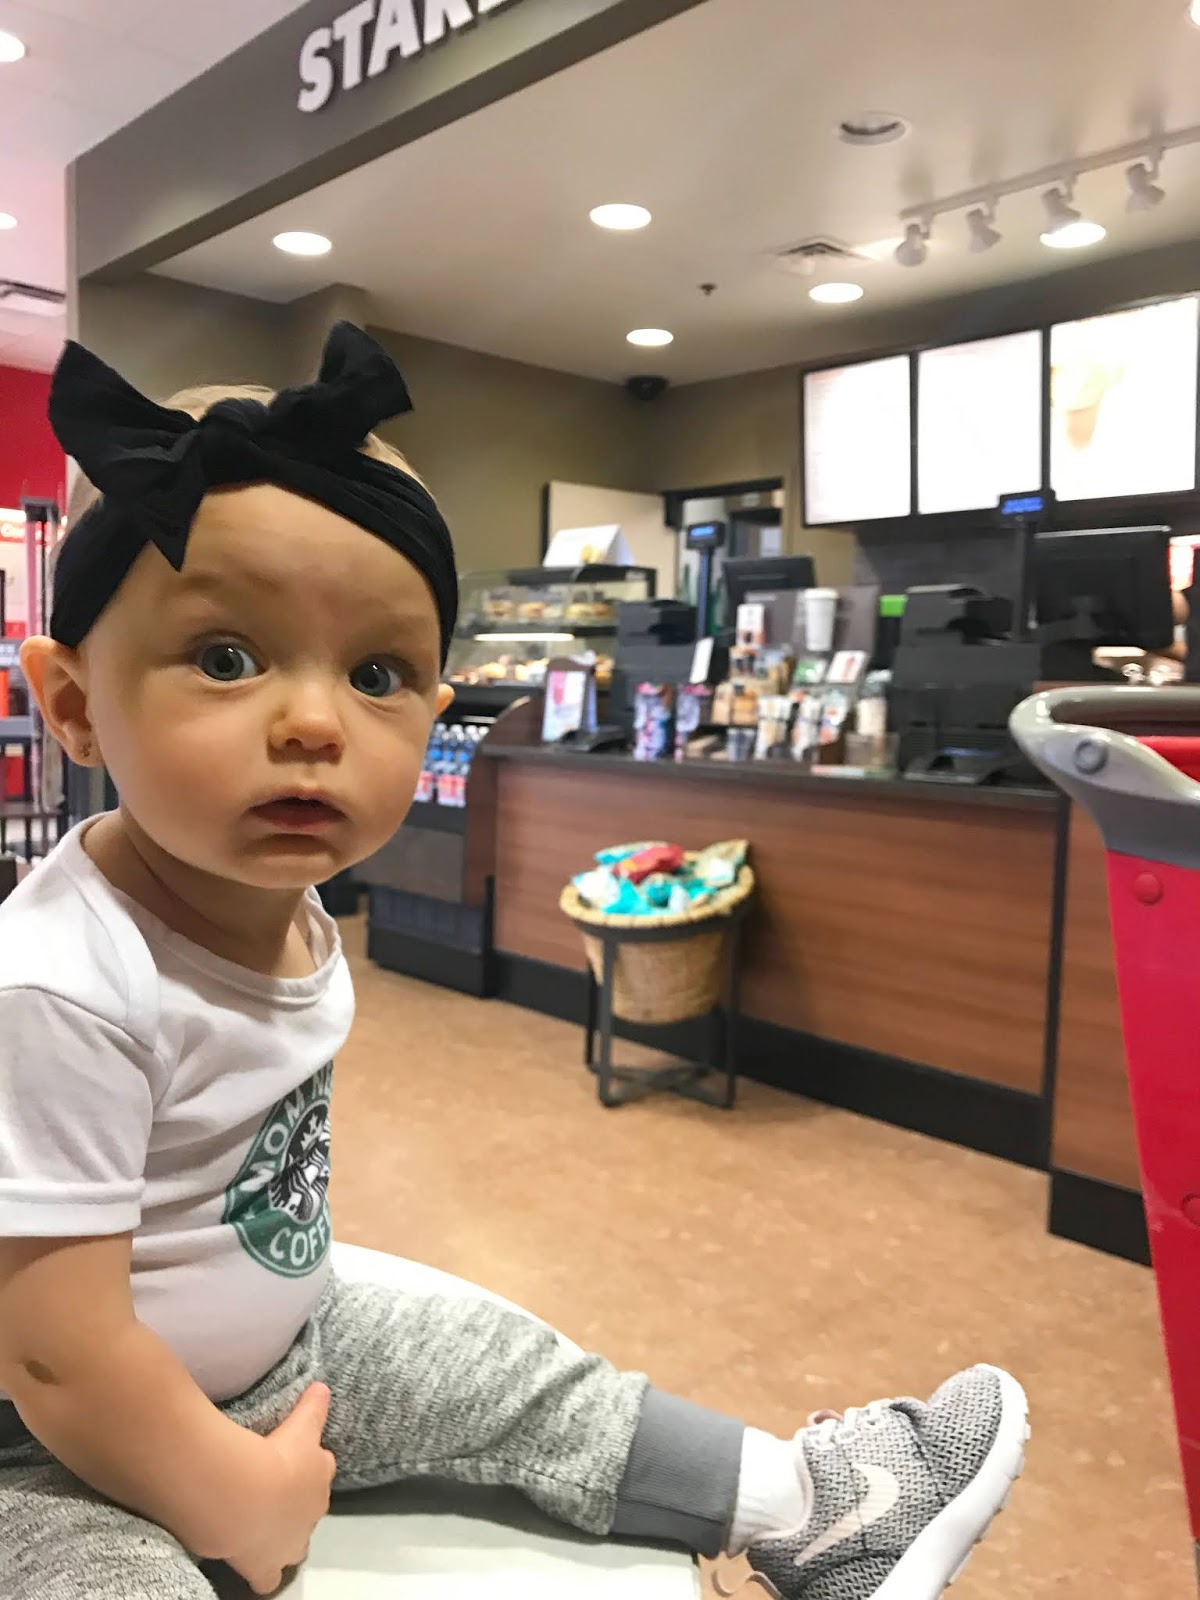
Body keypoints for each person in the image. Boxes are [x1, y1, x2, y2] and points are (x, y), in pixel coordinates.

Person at [0, 325, 1028, 1600]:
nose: (315, 720)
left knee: (516, 1370)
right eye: (226, 658)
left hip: (285, 1353)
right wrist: (230, 1495)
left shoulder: (290, 910)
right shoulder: (57, 984)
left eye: (377, 673)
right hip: (46, 1446)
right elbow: (54, 1356)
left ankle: (821, 1507)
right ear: (73, 701)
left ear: (439, 718)